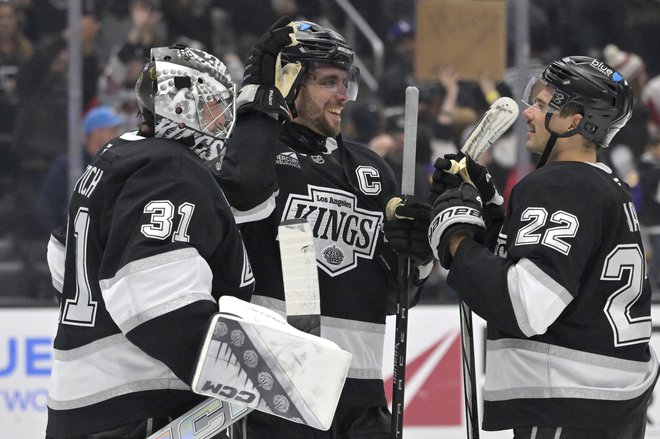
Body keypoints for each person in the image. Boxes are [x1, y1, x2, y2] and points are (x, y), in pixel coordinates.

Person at [219, 18, 434, 438]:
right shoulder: (256, 157)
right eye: (329, 82)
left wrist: (417, 255)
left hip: (362, 397)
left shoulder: (371, 169)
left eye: (346, 82)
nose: (343, 95)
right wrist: (260, 98)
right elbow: (242, 194)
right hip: (275, 386)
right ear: (291, 84)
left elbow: (398, 295)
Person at [428, 56, 659, 438]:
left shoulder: (559, 185)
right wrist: (490, 209)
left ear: (574, 120)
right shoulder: (603, 184)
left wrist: (456, 241)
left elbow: (525, 305)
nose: (529, 113)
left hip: (566, 402)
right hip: (608, 408)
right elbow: (544, 269)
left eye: (542, 103)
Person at [45, 44, 254, 438]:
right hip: (144, 406)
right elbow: (156, 302)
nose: (223, 121)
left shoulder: (116, 156)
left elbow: (62, 258)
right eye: (212, 107)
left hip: (80, 405)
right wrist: (239, 370)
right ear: (181, 107)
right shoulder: (172, 170)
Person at [35, 105, 123, 238]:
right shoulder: (68, 165)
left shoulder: (119, 163)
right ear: (97, 132)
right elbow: (46, 208)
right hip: (75, 242)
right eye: (112, 130)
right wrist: (63, 241)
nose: (118, 135)